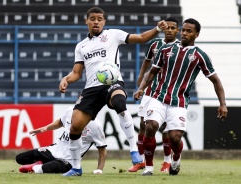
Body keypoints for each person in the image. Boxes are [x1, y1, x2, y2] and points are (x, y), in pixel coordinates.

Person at [59, 7, 168, 176]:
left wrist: (157, 29)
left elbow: (140, 38)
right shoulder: (81, 46)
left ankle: (134, 152)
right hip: (91, 88)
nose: (96, 21)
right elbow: (76, 73)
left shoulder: (113, 35)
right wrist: (66, 79)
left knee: (119, 102)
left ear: (104, 21)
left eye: (100, 19)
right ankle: (76, 168)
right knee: (75, 127)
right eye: (93, 18)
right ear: (86, 21)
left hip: (112, 82)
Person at [134, 18, 228, 176]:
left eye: (189, 31)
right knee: (150, 126)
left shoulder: (200, 55)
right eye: (183, 30)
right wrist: (141, 88)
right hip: (158, 97)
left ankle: (175, 159)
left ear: (196, 35)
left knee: (175, 138)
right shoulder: (166, 49)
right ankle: (148, 168)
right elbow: (152, 72)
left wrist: (223, 104)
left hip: (179, 102)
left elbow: (216, 81)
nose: (184, 33)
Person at [128, 17, 180, 173]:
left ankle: (166, 161)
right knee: (144, 125)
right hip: (150, 90)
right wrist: (141, 76)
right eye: (167, 27)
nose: (170, 30)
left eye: (173, 28)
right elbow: (146, 61)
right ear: (164, 29)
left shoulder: (180, 47)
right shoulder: (155, 44)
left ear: (177, 30)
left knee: (164, 128)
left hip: (167, 92)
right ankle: (142, 161)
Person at [16, 106, 107, 174]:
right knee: (20, 158)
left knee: (40, 170)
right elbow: (60, 122)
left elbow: (102, 150)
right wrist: (46, 128)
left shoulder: (95, 125)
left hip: (67, 161)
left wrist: (99, 169)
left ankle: (37, 167)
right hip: (53, 151)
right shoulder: (70, 111)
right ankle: (41, 163)